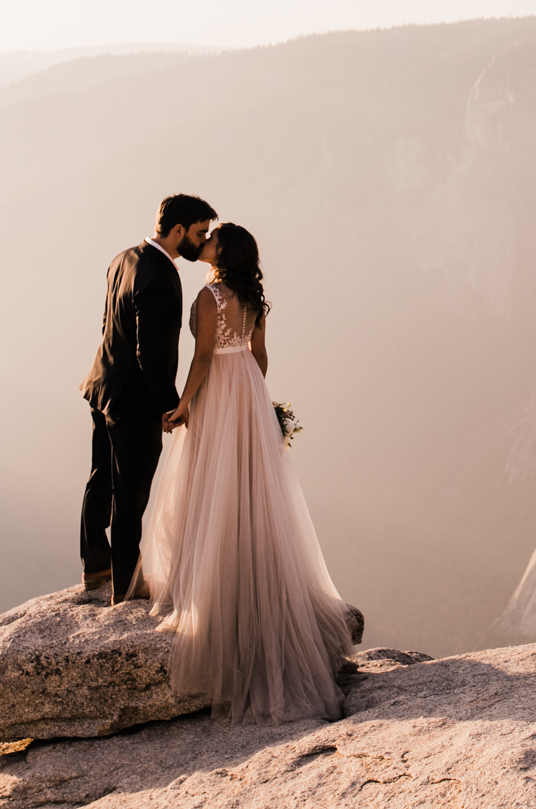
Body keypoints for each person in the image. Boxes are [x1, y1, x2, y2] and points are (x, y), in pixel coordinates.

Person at [141, 222, 356, 722]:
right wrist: (257, 407)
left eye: (213, 239)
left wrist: (184, 405)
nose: (207, 242)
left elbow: (200, 358)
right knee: (251, 489)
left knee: (209, 485)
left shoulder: (208, 296)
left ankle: (214, 591)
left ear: (223, 251)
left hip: (218, 391)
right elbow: (259, 356)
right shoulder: (255, 298)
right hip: (249, 393)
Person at [79, 193, 217, 603]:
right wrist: (169, 406)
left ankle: (95, 564)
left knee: (99, 479)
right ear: (178, 231)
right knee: (131, 492)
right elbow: (151, 353)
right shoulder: (159, 275)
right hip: (134, 402)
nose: (201, 240)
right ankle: (127, 582)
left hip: (102, 385)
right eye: (199, 233)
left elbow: (108, 323)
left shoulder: (124, 258)